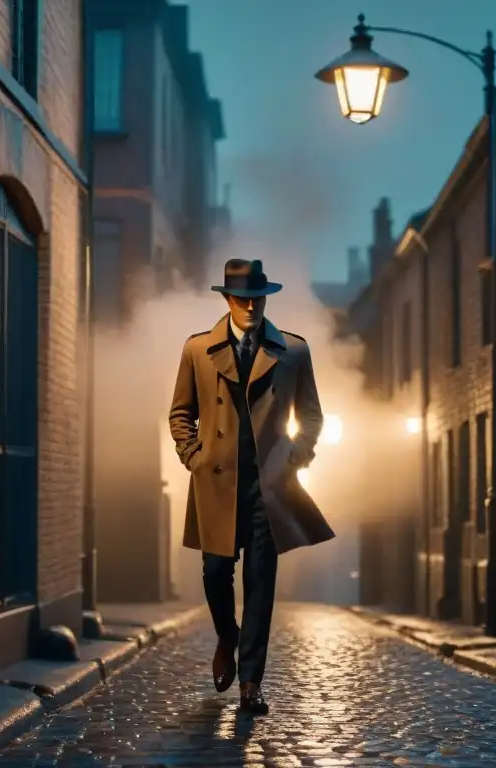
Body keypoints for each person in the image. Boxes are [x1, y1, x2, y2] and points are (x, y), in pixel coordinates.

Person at [168, 258, 335, 715]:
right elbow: (181, 413)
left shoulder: (293, 351)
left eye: (257, 299)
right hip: (217, 483)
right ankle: (227, 635)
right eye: (241, 299)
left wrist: (294, 459)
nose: (250, 307)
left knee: (261, 582)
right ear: (227, 299)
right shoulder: (197, 350)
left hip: (268, 488)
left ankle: (251, 682)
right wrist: (194, 457)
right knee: (216, 573)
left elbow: (313, 417)